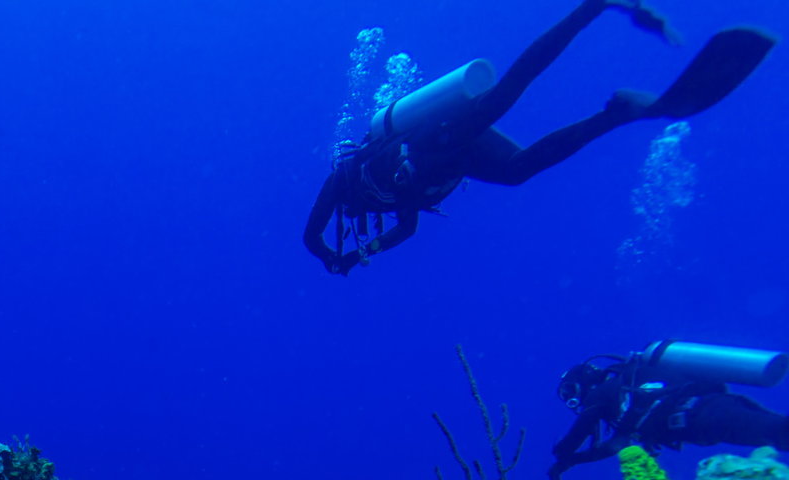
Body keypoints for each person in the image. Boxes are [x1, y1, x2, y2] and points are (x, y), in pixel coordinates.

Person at [304, 1, 775, 275]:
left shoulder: (344, 177)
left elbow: (310, 235)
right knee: (517, 171)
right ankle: (617, 114)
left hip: (433, 139)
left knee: (503, 96)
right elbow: (408, 227)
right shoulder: (389, 204)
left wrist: (331, 256)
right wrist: (361, 254)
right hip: (448, 161)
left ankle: (592, 8)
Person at [549, 345, 789, 480]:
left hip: (704, 416)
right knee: (777, 433)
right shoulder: (625, 386)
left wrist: (562, 455)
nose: (572, 399)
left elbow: (579, 434)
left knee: (778, 432)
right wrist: (572, 461)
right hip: (712, 410)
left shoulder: (602, 392)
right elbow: (616, 445)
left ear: (583, 380)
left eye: (569, 391)